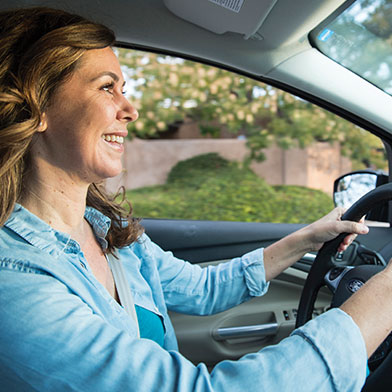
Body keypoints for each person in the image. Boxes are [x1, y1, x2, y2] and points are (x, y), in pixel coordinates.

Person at [0, 6, 390, 392]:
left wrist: (306, 238)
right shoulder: (14, 281)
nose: (130, 110)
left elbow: (203, 289)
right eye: (107, 87)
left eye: (125, 90)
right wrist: (382, 300)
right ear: (38, 105)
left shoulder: (109, 231)